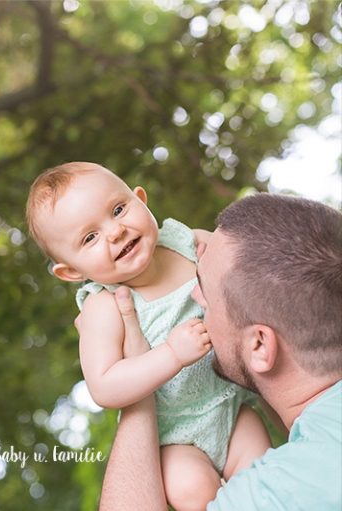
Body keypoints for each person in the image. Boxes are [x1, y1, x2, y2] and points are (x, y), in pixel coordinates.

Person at [26, 162, 272, 510]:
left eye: (118, 209)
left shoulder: (186, 242)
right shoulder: (104, 305)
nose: (115, 231)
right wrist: (171, 355)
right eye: (90, 237)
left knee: (265, 479)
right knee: (193, 490)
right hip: (175, 437)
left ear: (141, 200)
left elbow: (245, 270)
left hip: (230, 408)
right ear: (72, 272)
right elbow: (105, 386)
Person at [95, 193, 342, 510]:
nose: (192, 297)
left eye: (205, 292)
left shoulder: (288, 490)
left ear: (259, 345)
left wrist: (139, 383)